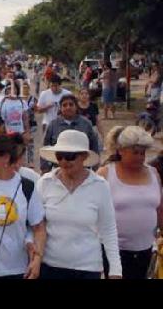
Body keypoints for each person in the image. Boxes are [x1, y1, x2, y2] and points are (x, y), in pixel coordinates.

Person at [37, 129, 122, 279]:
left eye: (70, 156)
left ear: (84, 156)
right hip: (49, 267)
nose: (64, 161)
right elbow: (36, 225)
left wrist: (115, 270)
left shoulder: (99, 185)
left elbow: (108, 229)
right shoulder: (45, 183)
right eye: (60, 156)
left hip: (87, 268)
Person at [0, 132, 46, 279]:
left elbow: (39, 227)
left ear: (5, 157)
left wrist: (37, 259)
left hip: (18, 271)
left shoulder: (27, 187)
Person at [96, 126, 163, 279]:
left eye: (143, 153)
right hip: (114, 251)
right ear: (120, 150)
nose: (140, 157)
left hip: (146, 250)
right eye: (135, 152)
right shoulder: (105, 173)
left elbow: (160, 209)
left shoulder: (153, 173)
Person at [41, 94, 101, 173]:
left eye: (71, 104)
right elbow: (46, 146)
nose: (68, 107)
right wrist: (45, 169)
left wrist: (95, 167)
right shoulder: (53, 125)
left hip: (82, 169)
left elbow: (94, 146)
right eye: (64, 105)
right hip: (59, 169)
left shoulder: (86, 123)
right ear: (60, 108)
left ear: (76, 107)